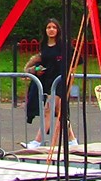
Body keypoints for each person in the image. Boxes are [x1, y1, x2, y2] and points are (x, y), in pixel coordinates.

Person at [26, 18, 73, 149]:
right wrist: (37, 70)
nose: (51, 30)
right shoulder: (44, 46)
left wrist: (70, 77)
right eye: (48, 27)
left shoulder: (63, 45)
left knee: (48, 109)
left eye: (54, 27)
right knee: (58, 112)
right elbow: (42, 62)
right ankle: (72, 139)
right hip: (48, 81)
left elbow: (76, 60)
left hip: (60, 82)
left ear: (58, 30)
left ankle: (37, 141)